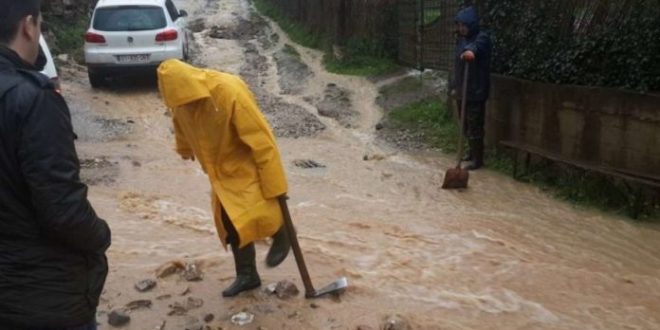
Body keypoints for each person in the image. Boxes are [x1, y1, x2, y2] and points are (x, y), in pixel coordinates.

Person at [0, 1, 112, 329]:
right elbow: (63, 212)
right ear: (28, 26)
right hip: (42, 296)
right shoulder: (34, 99)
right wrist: (101, 235)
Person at [157, 59, 291, 297]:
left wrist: (276, 184)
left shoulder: (229, 90)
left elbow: (262, 141)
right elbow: (179, 123)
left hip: (243, 161)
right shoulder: (180, 102)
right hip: (218, 170)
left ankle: (283, 232)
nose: (185, 107)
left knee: (259, 209)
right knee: (230, 224)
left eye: (188, 102)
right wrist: (184, 148)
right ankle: (247, 275)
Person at [451, 5, 492, 170]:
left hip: (475, 90)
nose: (461, 28)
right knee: (465, 124)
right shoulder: (461, 39)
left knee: (475, 125)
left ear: (472, 25)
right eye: (459, 25)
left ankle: (478, 159)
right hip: (462, 89)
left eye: (464, 25)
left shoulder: (482, 38)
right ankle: (471, 152)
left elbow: (476, 47)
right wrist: (454, 86)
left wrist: (470, 51)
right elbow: (457, 65)